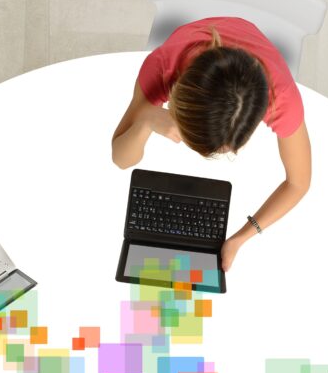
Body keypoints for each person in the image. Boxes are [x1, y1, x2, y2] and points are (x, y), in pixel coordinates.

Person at [111, 17, 312, 272]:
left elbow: (298, 182)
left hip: (248, 36)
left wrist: (240, 238)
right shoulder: (164, 66)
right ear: (176, 102)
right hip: (192, 37)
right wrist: (146, 120)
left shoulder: (282, 98)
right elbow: (120, 157)